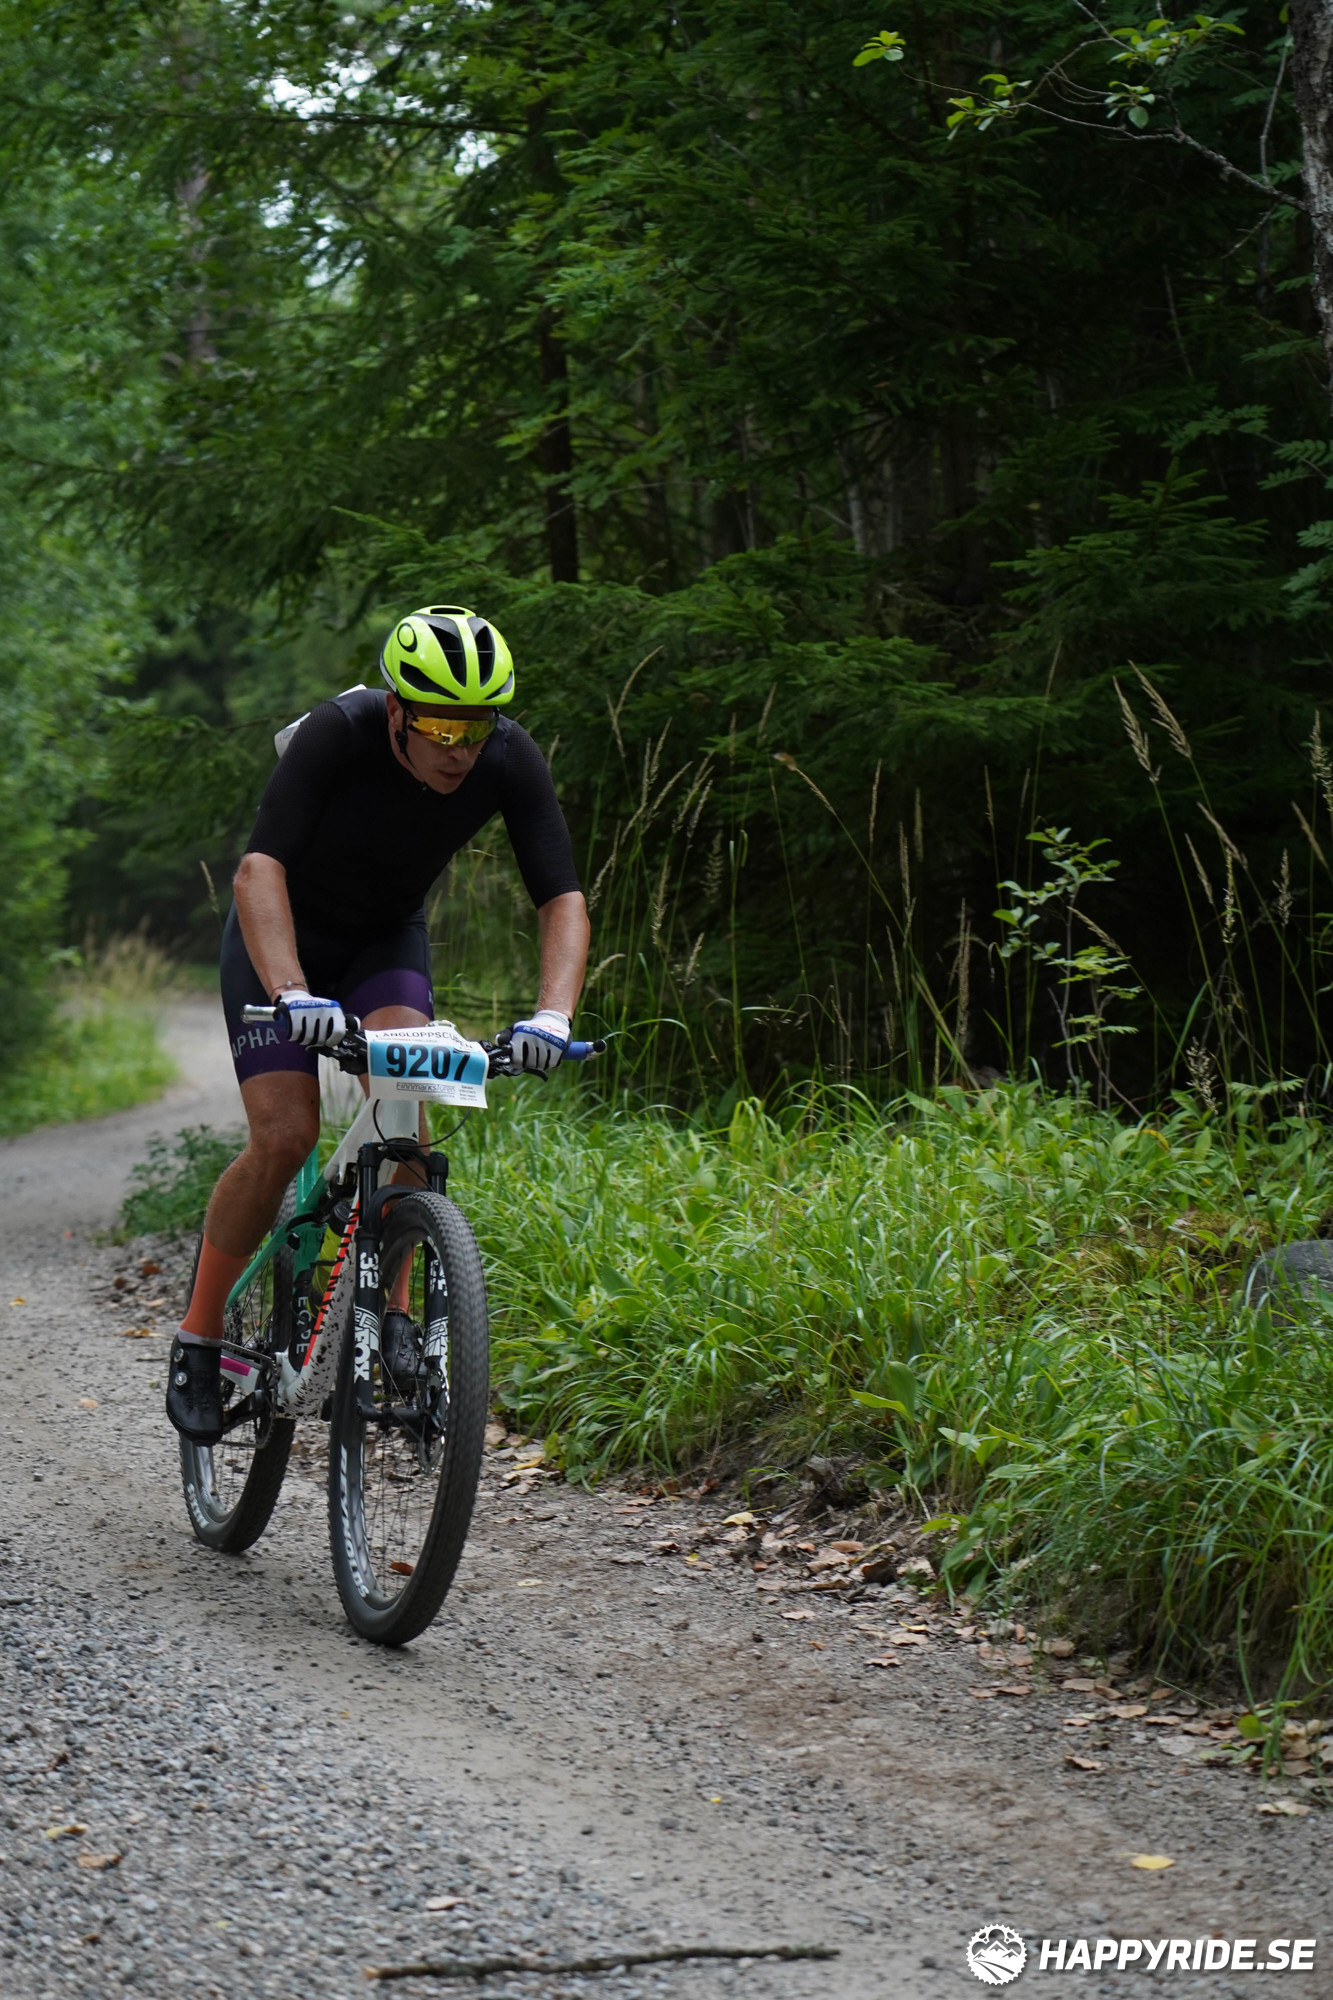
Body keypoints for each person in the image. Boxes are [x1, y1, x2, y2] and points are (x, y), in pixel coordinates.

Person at [166, 604, 590, 1445]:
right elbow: (258, 870)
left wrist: (551, 1014)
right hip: (280, 936)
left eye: (475, 726)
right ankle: (200, 1337)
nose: (459, 749)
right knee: (284, 1137)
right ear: (397, 709)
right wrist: (293, 994)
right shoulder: (340, 731)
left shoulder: (508, 758)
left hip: (382, 942)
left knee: (405, 1115)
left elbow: (561, 897)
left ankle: (391, 1314)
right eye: (440, 726)